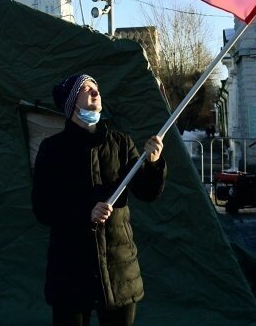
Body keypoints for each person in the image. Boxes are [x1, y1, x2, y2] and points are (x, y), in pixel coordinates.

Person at [32, 74, 167, 326]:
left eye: (96, 87)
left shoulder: (121, 143)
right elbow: (42, 207)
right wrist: (85, 213)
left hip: (118, 270)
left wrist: (153, 163)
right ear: (72, 104)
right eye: (85, 89)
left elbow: (147, 192)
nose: (95, 92)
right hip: (70, 270)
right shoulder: (52, 150)